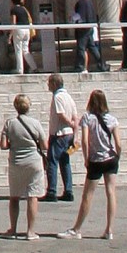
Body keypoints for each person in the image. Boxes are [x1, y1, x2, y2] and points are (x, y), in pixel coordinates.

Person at [68, 89, 122, 240]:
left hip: (96, 159)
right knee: (111, 192)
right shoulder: (112, 119)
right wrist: (117, 155)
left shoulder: (87, 118)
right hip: (111, 158)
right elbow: (118, 143)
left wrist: (86, 158)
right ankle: (109, 229)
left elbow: (85, 141)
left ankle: (77, 228)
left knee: (88, 194)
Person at [0, 92, 47, 239]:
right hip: (33, 161)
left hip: (16, 162)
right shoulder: (36, 123)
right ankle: (30, 231)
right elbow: (44, 145)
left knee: (14, 197)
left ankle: (13, 229)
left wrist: (14, 143)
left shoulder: (9, 123)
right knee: (32, 196)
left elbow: (3, 145)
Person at [45, 72, 79, 202]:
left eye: (49, 83)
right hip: (69, 135)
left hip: (59, 134)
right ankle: (68, 190)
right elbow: (75, 116)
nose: (48, 85)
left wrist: (70, 124)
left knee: (52, 162)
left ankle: (52, 191)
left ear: (54, 84)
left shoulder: (57, 97)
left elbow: (61, 114)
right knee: (65, 162)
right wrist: (75, 132)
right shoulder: (68, 97)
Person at [74, 0, 105, 71]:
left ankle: (80, 67)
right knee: (92, 47)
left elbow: (80, 15)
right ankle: (102, 64)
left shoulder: (81, 2)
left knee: (81, 48)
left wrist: (72, 18)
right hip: (90, 27)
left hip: (83, 29)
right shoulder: (89, 1)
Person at [9, 0, 34, 76]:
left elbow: (13, 22)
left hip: (19, 30)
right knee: (25, 50)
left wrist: (10, 35)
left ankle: (19, 69)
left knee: (18, 50)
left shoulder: (14, 10)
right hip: (26, 30)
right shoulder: (24, 9)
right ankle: (33, 67)